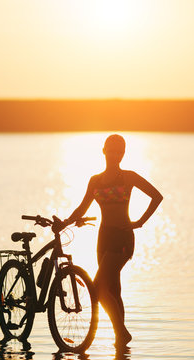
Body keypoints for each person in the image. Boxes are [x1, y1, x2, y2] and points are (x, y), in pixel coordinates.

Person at [63, 134, 163, 347]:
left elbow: (157, 196)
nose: (116, 154)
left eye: (120, 151)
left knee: (98, 289)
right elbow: (82, 208)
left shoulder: (129, 177)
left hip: (123, 237)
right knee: (114, 291)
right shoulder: (95, 180)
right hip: (104, 238)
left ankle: (122, 333)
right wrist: (65, 223)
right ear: (104, 151)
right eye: (112, 149)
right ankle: (121, 344)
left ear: (124, 154)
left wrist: (139, 222)